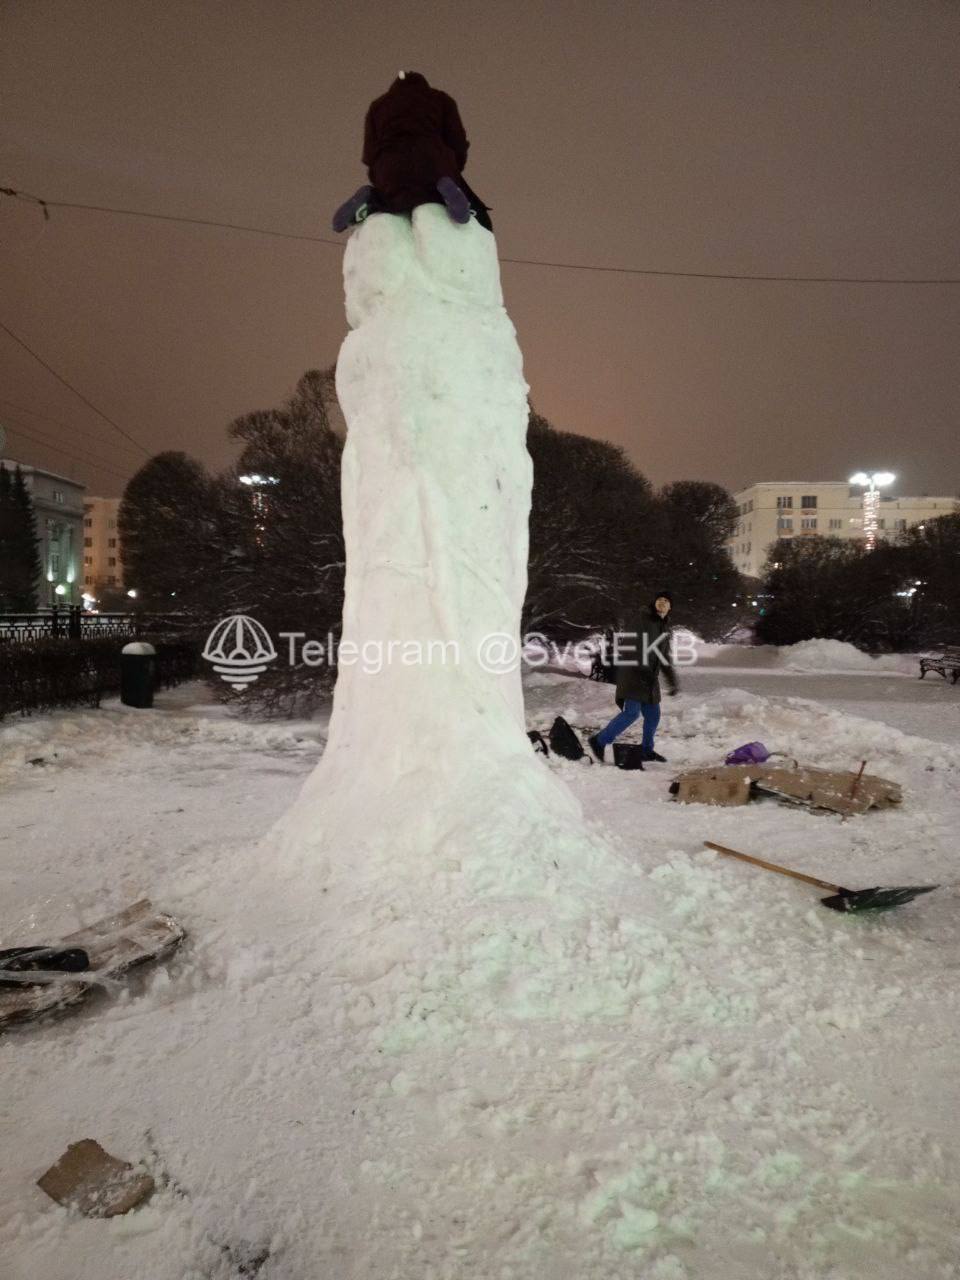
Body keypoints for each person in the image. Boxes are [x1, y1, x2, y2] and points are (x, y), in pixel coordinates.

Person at [332, 71, 492, 233]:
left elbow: (369, 153)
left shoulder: (378, 106)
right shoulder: (441, 99)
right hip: (433, 162)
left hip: (390, 167)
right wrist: (455, 168)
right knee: (432, 191)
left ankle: (372, 199)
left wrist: (379, 172)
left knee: (389, 200)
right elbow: (456, 141)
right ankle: (446, 193)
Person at [588, 592, 678, 764]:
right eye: (659, 599)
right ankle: (599, 741)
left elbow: (664, 657)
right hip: (634, 674)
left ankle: (646, 750)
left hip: (649, 678)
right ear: (654, 602)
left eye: (666, 601)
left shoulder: (665, 628)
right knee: (631, 713)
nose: (662, 603)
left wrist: (672, 681)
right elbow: (630, 646)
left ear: (670, 607)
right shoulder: (642, 619)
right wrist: (643, 669)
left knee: (653, 715)